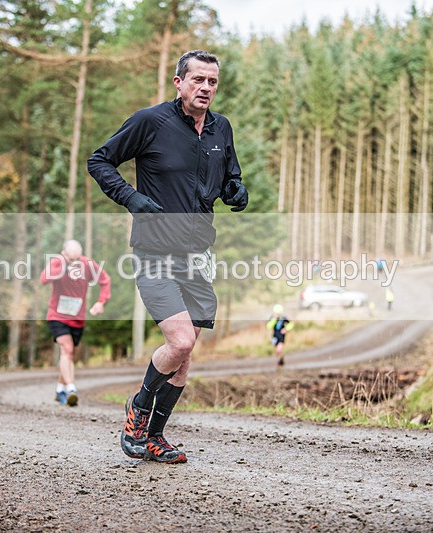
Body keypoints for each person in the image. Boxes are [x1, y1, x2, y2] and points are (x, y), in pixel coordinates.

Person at [87, 50, 248, 463]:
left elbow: (229, 175)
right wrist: (131, 198)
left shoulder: (221, 128)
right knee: (179, 341)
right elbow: (99, 161)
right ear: (179, 82)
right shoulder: (150, 122)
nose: (206, 88)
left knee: (185, 354)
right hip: (155, 251)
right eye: (198, 80)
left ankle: (155, 437)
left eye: (212, 81)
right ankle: (138, 410)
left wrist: (235, 189)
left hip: (198, 255)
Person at [40, 239, 111, 407]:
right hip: (57, 315)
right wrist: (63, 267)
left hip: (77, 318)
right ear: (64, 254)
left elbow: (105, 280)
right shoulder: (57, 262)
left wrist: (101, 302)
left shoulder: (87, 264)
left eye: (77, 259)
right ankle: (71, 389)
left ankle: (60, 389)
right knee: (67, 349)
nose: (74, 262)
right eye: (71, 259)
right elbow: (44, 278)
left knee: (70, 354)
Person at [267, 304, 293, 369]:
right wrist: (274, 319)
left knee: (279, 349)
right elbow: (269, 326)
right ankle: (281, 360)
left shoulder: (283, 318)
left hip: (281, 336)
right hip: (275, 336)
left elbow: (290, 324)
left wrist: (286, 329)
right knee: (277, 351)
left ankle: (279, 363)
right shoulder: (272, 318)